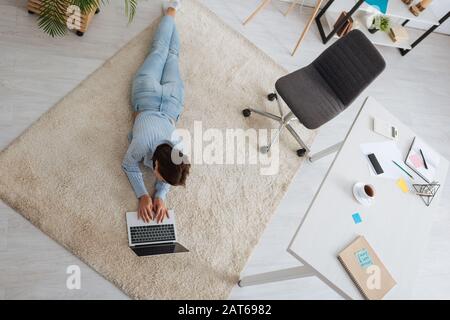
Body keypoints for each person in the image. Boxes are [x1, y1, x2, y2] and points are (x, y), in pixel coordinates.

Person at [122, 1, 190, 224]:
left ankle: (172, 14)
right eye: (161, 177)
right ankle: (171, 12)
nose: (159, 179)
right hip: (149, 95)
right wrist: (143, 195)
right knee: (163, 51)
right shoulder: (141, 143)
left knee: (171, 54)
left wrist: (160, 194)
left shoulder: (178, 150)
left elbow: (166, 175)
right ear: (156, 165)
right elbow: (128, 164)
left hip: (170, 102)